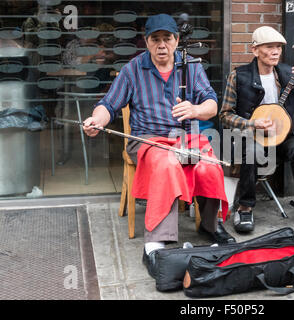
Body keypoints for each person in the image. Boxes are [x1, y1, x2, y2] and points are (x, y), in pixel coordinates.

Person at [82, 14, 235, 261]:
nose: (161, 45)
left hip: (185, 139)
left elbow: (212, 104)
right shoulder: (133, 69)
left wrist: (195, 110)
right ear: (146, 41)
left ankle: (210, 225)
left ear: (176, 41)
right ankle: (155, 242)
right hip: (147, 140)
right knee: (167, 163)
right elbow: (108, 105)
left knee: (209, 166)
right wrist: (96, 121)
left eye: (167, 38)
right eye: (155, 39)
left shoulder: (192, 65)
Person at [219, 26, 294, 233]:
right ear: (255, 50)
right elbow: (225, 115)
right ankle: (245, 207)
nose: (276, 51)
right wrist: (252, 124)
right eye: (269, 47)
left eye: (278, 47)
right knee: (251, 151)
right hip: (253, 137)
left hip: (284, 137)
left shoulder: (288, 73)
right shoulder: (238, 76)